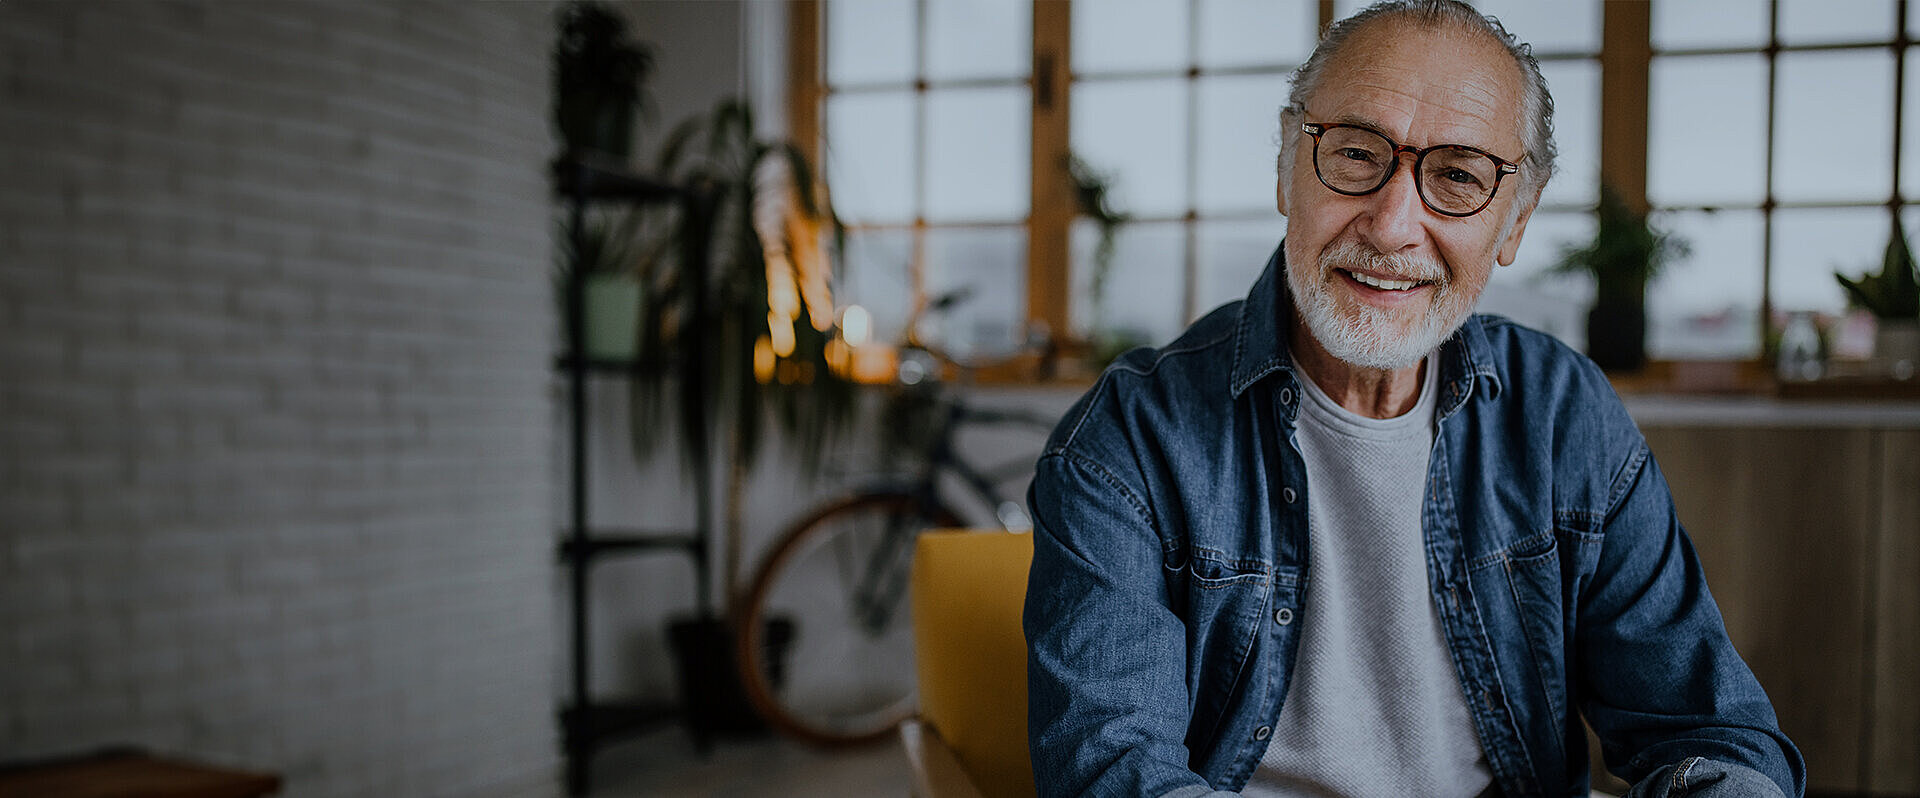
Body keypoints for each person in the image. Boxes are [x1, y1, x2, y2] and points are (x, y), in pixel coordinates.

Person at [1021, 2, 1805, 796]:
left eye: (1459, 176)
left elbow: (1709, 731)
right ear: (1288, 168)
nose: (1394, 226)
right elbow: (1115, 774)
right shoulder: (1124, 442)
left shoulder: (1564, 415)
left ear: (1515, 222)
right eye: (1358, 154)